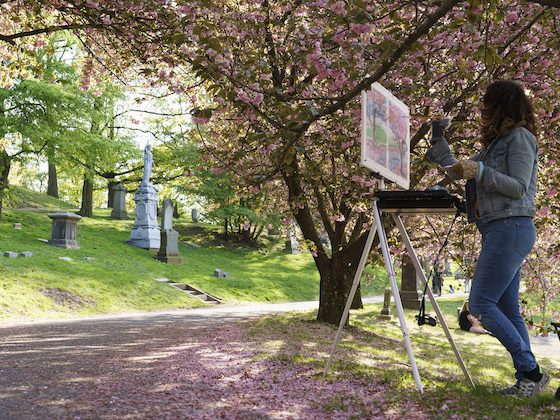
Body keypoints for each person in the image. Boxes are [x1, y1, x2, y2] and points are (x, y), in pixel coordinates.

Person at [427, 80, 549, 397]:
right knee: (509, 308)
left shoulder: (520, 138)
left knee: (480, 303)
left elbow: (519, 186)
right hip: (499, 229)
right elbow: (460, 170)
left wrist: (479, 171)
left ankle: (532, 372)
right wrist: (439, 140)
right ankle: (528, 380)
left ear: (500, 107)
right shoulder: (497, 144)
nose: (482, 113)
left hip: (511, 227)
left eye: (486, 107)